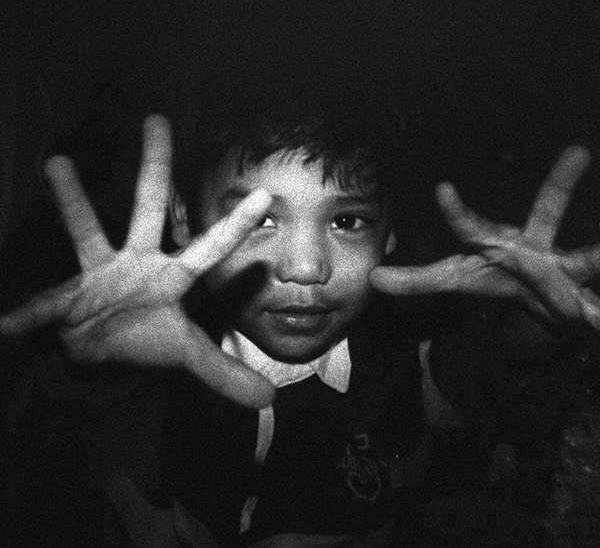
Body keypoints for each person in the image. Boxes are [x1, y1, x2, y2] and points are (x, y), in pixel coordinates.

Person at [1, 97, 600, 547]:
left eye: (347, 221)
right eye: (259, 220)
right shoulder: (152, 359)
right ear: (184, 220)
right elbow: (55, 462)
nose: (307, 268)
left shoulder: (403, 358)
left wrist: (537, 320)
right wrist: (82, 369)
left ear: (390, 233)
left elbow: (484, 368)